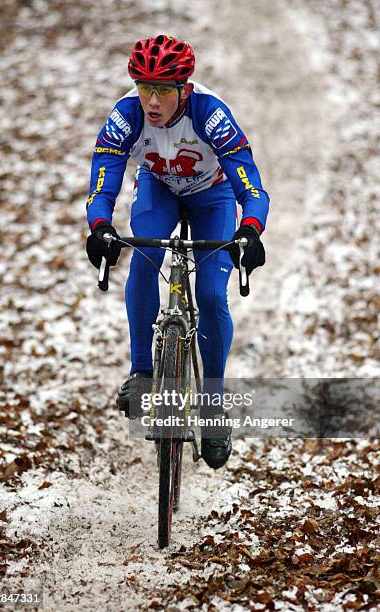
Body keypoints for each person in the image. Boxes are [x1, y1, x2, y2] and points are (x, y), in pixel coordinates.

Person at [86, 34, 269, 469]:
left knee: (209, 294)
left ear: (184, 88)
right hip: (159, 188)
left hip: (213, 197)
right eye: (143, 87)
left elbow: (252, 186)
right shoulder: (127, 113)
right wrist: (99, 227)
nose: (152, 100)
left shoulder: (211, 114)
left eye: (163, 90)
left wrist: (251, 229)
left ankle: (213, 405)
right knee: (144, 259)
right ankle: (142, 373)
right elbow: (104, 175)